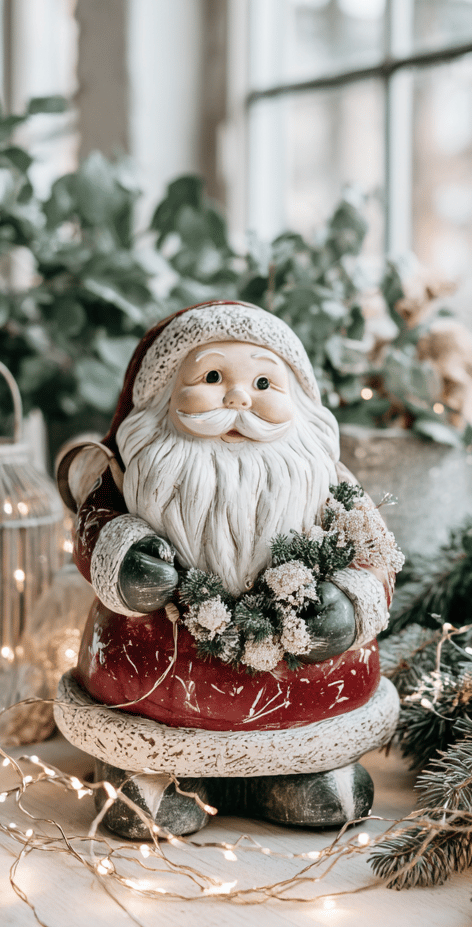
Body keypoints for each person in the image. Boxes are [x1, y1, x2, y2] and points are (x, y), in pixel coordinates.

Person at [55, 301, 401, 836]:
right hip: (157, 683)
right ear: (162, 395)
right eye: (212, 376)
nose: (238, 398)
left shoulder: (324, 479)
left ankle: (302, 772)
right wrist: (123, 561)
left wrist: (350, 606)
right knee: (151, 765)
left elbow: (372, 553)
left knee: (314, 778)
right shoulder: (129, 475)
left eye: (265, 382)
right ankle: (150, 774)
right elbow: (94, 528)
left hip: (303, 697)